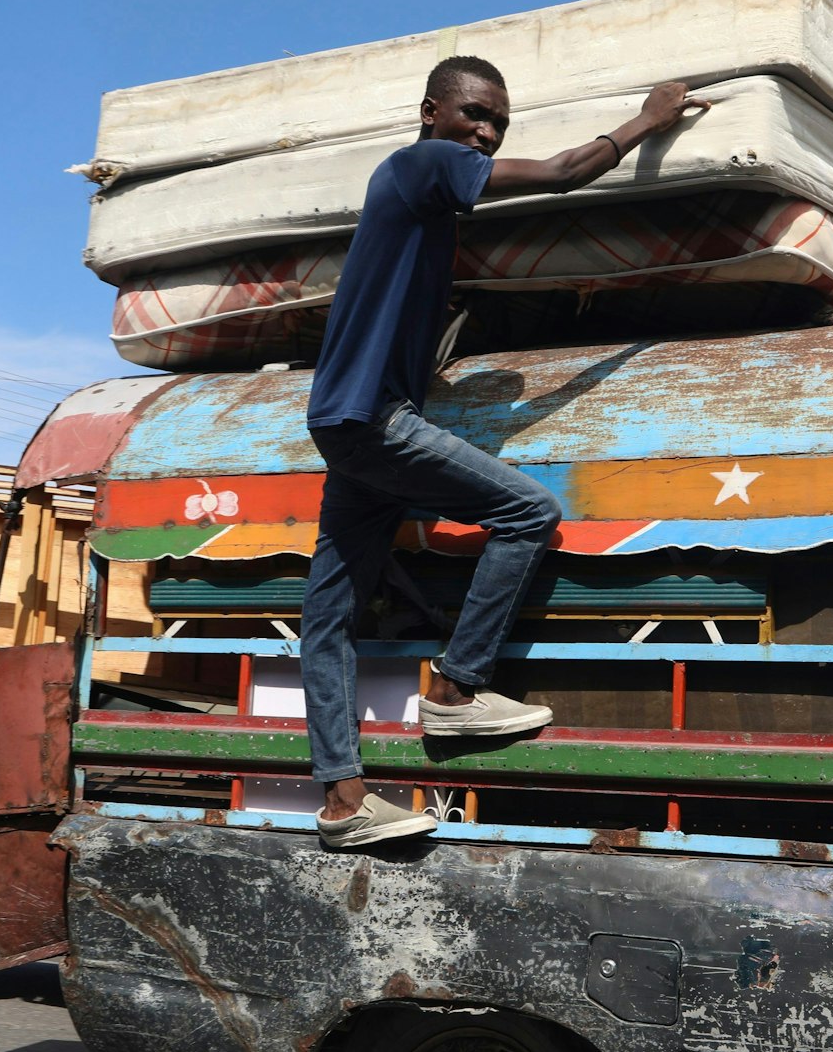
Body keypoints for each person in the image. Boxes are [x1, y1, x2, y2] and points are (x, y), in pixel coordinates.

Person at [301, 57, 709, 847]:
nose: (486, 133)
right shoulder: (426, 163)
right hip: (373, 421)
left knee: (328, 617)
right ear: (430, 112)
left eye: (497, 123)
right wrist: (648, 118)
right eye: (475, 116)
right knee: (526, 509)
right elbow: (562, 173)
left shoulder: (415, 203)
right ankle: (456, 689)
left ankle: (344, 801)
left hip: (344, 424)